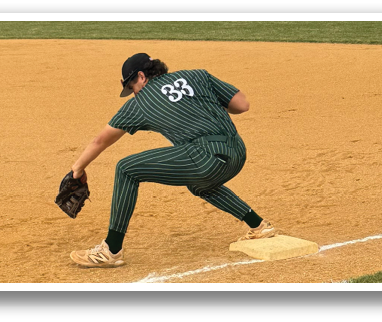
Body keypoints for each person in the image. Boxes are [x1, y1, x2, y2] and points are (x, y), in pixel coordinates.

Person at [69, 53, 276, 268]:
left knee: (126, 169)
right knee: (198, 185)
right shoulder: (198, 76)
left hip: (206, 158)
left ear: (141, 76)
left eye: (131, 87)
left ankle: (110, 250)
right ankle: (259, 226)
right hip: (237, 153)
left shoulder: (140, 104)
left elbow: (100, 141)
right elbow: (242, 105)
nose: (133, 93)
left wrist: (78, 168)